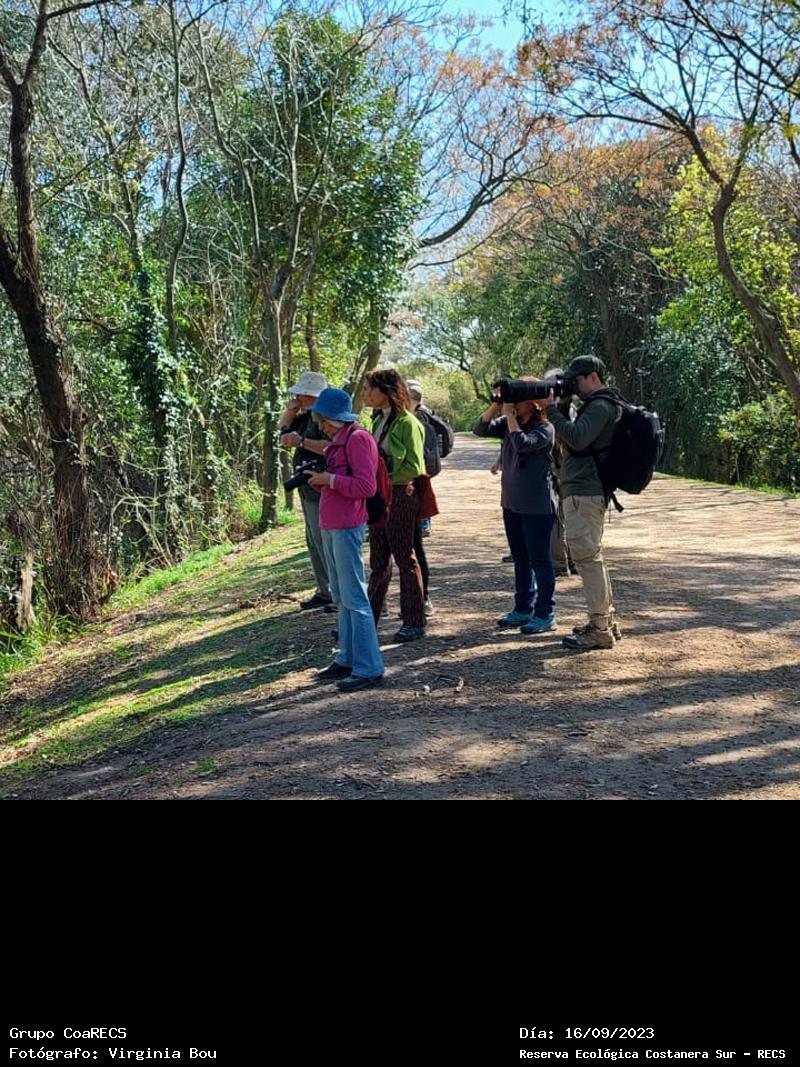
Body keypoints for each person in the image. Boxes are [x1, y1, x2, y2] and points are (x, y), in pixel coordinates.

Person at [306, 388, 384, 692]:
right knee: (340, 594)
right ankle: (347, 658)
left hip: (347, 525)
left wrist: (331, 480)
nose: (321, 426)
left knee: (354, 597)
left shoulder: (358, 439)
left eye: (324, 421)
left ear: (335, 418)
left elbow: (366, 486)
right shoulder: (338, 441)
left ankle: (369, 667)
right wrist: (323, 480)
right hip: (330, 523)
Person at [543, 355, 622, 650]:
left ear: (592, 376)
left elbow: (576, 439)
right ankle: (605, 621)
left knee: (587, 559)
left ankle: (600, 628)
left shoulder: (601, 405)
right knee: (592, 557)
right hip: (584, 491)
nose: (573, 387)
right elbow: (573, 440)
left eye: (576, 381)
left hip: (585, 493)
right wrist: (562, 407)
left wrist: (551, 410)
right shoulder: (598, 404)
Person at [473, 379, 558, 634]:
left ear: (532, 402)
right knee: (521, 559)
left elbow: (523, 444)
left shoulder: (545, 428)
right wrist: (497, 405)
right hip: (512, 504)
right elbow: (480, 428)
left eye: (518, 400)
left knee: (540, 561)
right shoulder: (509, 424)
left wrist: (509, 415)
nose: (514, 405)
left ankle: (545, 613)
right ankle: (523, 609)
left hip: (537, 507)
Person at [362, 369, 427, 642]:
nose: (366, 394)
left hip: (401, 494)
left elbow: (415, 467)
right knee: (378, 561)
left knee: (404, 557)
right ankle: (367, 622)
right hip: (379, 496)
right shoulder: (379, 420)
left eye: (370, 389)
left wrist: (385, 471)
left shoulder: (407, 423)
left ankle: (414, 621)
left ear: (386, 391)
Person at [278, 371, 333, 612]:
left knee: (324, 541)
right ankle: (325, 591)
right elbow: (283, 434)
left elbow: (331, 447)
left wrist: (302, 442)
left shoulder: (326, 417)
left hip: (321, 487)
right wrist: (290, 412)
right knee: (313, 541)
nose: (297, 397)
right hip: (307, 488)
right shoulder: (306, 417)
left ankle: (335, 592)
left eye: (301, 394)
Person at [403, 377, 453, 616]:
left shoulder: (417, 421)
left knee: (414, 547)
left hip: (412, 487)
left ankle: (422, 600)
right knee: (409, 548)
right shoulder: (395, 418)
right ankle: (415, 600)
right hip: (405, 489)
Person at [543, 368, 578, 578]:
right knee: (558, 516)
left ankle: (566, 562)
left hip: (568, 471)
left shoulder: (567, 412)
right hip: (556, 471)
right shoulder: (549, 411)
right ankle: (563, 562)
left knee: (564, 516)